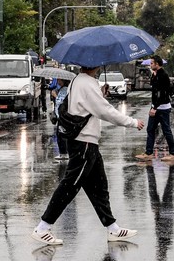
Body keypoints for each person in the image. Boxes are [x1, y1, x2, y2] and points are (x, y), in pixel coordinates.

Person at [31, 65, 144, 247]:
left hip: (87, 142)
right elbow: (105, 111)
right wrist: (132, 122)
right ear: (95, 65)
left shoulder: (78, 80)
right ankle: (43, 226)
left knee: (99, 186)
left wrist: (100, 94)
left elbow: (89, 107)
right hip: (84, 142)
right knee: (70, 185)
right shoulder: (88, 83)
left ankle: (112, 228)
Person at [139, 57, 174, 161]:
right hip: (155, 107)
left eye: (152, 63)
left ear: (157, 64)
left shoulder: (163, 75)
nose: (150, 65)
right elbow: (154, 92)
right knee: (150, 129)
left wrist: (155, 108)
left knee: (166, 131)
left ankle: (173, 154)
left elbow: (162, 94)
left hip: (163, 108)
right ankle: (148, 153)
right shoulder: (155, 75)